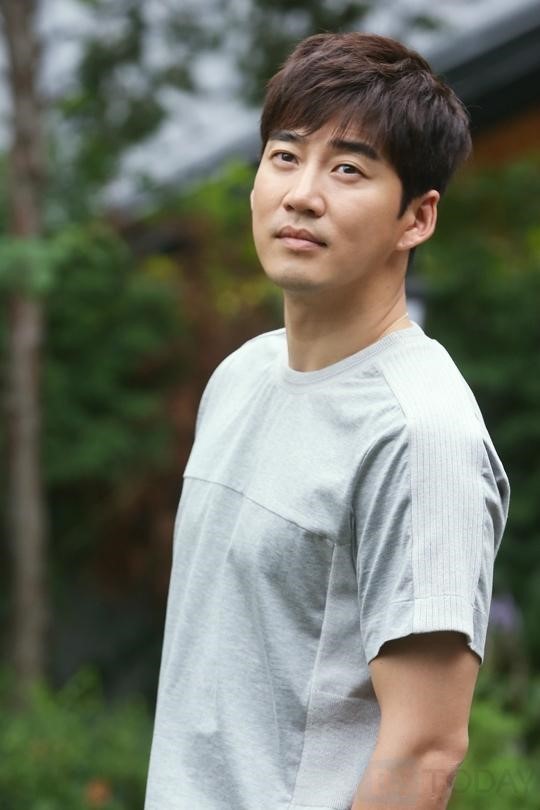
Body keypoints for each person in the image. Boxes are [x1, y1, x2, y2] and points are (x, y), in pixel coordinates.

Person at [144, 32, 510, 810]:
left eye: (348, 169)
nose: (302, 194)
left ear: (417, 218)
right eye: (285, 156)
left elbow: (424, 752)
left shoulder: (420, 435)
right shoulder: (241, 376)